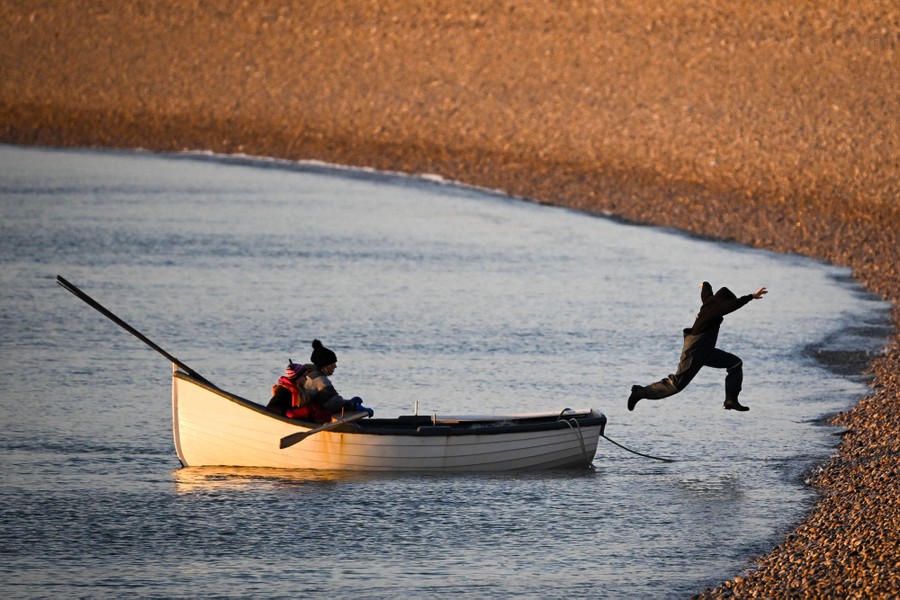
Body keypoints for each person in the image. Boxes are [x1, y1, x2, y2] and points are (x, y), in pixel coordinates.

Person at [628, 282, 768, 412]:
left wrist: (705, 284)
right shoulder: (716, 309)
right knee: (677, 385)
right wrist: (751, 297)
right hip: (695, 350)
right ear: (724, 302)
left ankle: (731, 400)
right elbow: (731, 306)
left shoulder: (709, 302)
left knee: (735, 363)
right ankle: (640, 392)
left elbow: (706, 293)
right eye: (727, 303)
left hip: (706, 351)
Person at [301, 339, 373, 420]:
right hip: (309, 417)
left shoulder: (308, 373)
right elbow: (334, 403)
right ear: (326, 365)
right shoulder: (320, 379)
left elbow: (330, 399)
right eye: (333, 363)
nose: (335, 366)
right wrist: (354, 406)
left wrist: (349, 402)